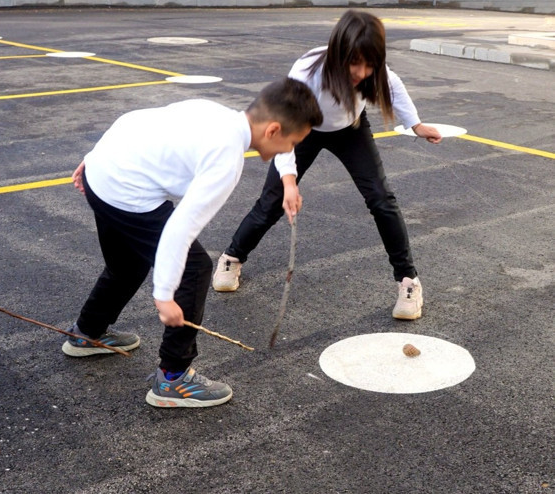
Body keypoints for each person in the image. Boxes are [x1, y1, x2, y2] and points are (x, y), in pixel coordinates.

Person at [65, 78, 323, 408]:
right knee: (195, 268)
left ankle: (87, 332)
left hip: (101, 175)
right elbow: (180, 228)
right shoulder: (226, 158)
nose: (289, 152)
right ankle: (173, 376)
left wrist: (96, 157)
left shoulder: (216, 114)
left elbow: (134, 120)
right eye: (292, 144)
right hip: (123, 190)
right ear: (273, 130)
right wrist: (164, 295)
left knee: (127, 263)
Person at [212, 9, 442, 321]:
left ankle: (408, 281)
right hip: (302, 129)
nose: (361, 72)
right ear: (338, 52)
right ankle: (232, 257)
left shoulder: (372, 68)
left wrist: (415, 124)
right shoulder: (306, 72)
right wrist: (290, 183)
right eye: (354, 62)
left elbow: (393, 83)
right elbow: (283, 128)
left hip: (350, 130)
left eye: (369, 63)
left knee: (381, 199)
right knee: (272, 201)